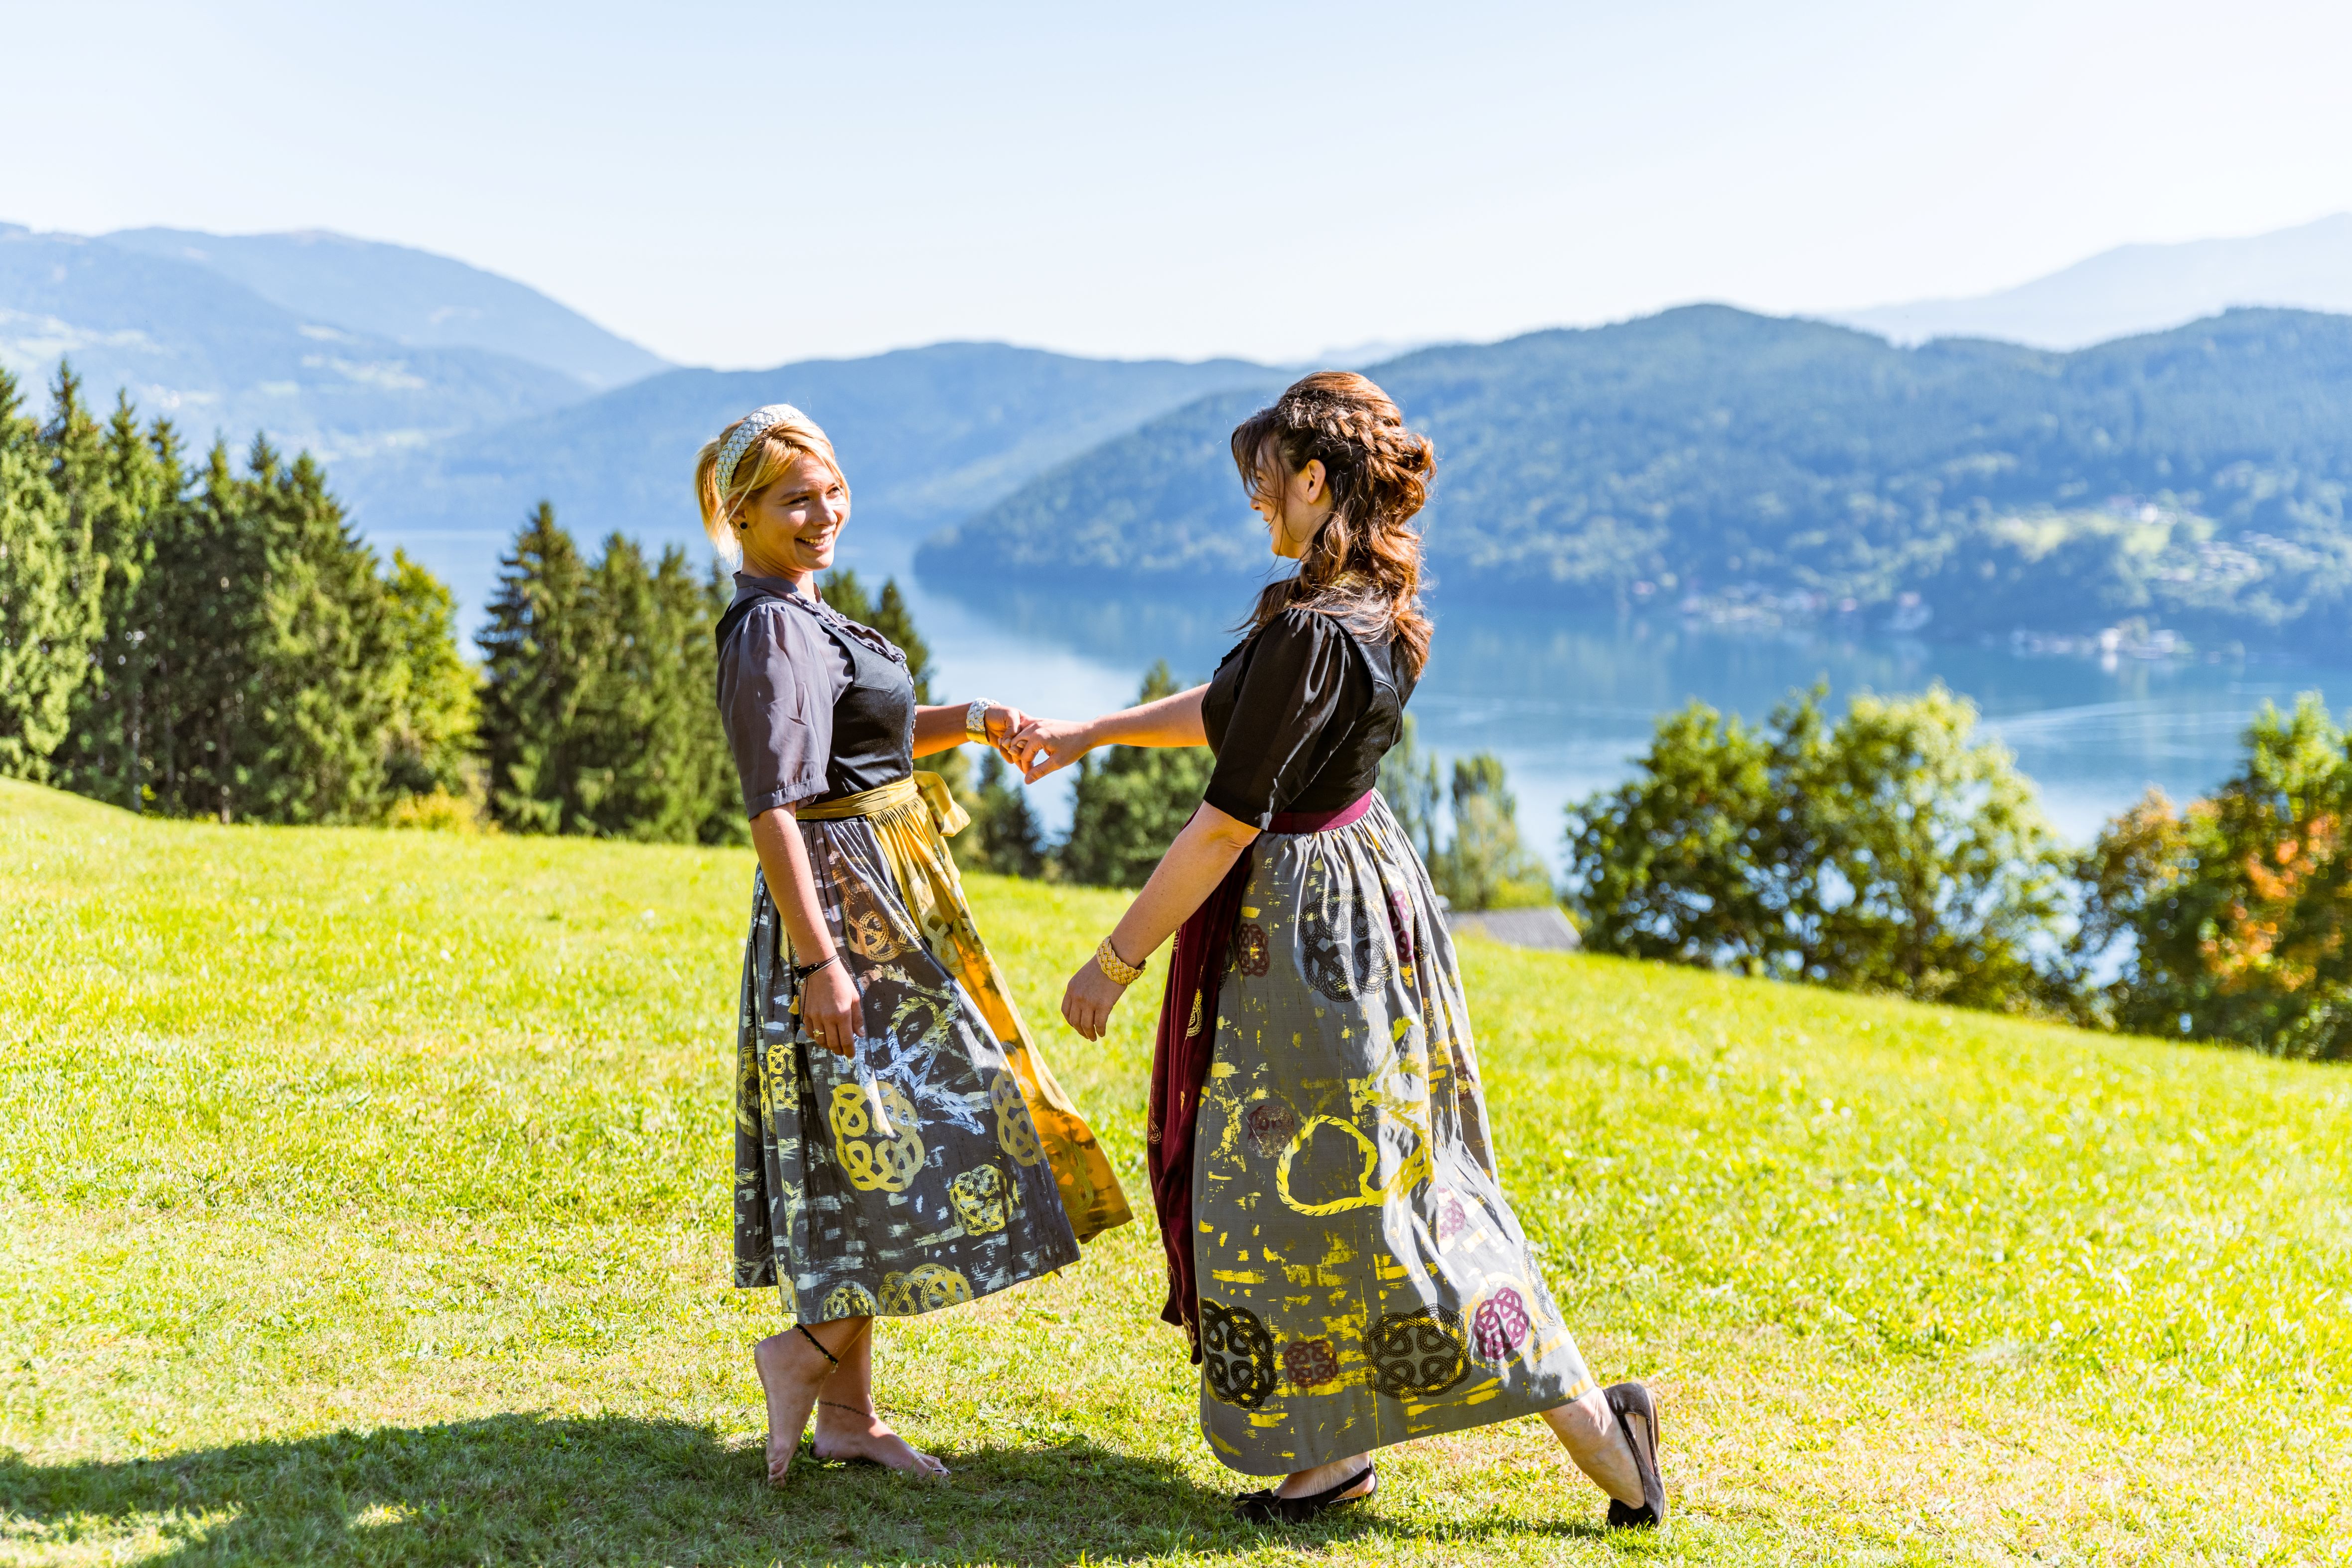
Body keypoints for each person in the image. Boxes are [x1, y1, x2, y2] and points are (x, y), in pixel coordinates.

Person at [1006, 373, 1669, 1531]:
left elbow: (1222, 819)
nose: (1256, 505)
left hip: (1308, 932)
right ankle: (1330, 1457)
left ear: (1314, 481)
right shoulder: (1360, 604)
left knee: (1369, 1193)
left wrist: (1110, 963)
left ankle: (1606, 1435)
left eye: (1265, 485)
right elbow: (1233, 706)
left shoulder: (1314, 626)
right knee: (1342, 1185)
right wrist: (1089, 732)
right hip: (1361, 899)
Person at [697, 403, 1131, 1484]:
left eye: (830, 489)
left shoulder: (804, 612)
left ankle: (847, 1414)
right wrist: (819, 959)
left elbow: (864, 735)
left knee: (866, 1156)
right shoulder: (770, 628)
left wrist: (971, 717)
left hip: (882, 897)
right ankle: (799, 1356)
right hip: (849, 916)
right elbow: (775, 805)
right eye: (795, 498)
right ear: (738, 514)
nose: (823, 512)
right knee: (969, 1129)